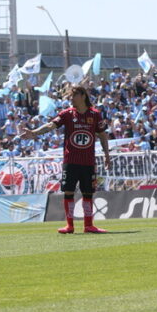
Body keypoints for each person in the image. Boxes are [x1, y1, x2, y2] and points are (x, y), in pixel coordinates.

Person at [21, 85, 112, 233]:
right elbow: (51, 125)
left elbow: (102, 136)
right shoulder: (68, 114)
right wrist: (34, 132)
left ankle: (88, 225)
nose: (71, 99)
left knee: (88, 192)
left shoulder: (95, 115)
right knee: (68, 191)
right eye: (70, 96)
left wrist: (107, 156)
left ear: (83, 96)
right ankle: (69, 225)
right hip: (71, 160)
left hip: (88, 161)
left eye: (73, 95)